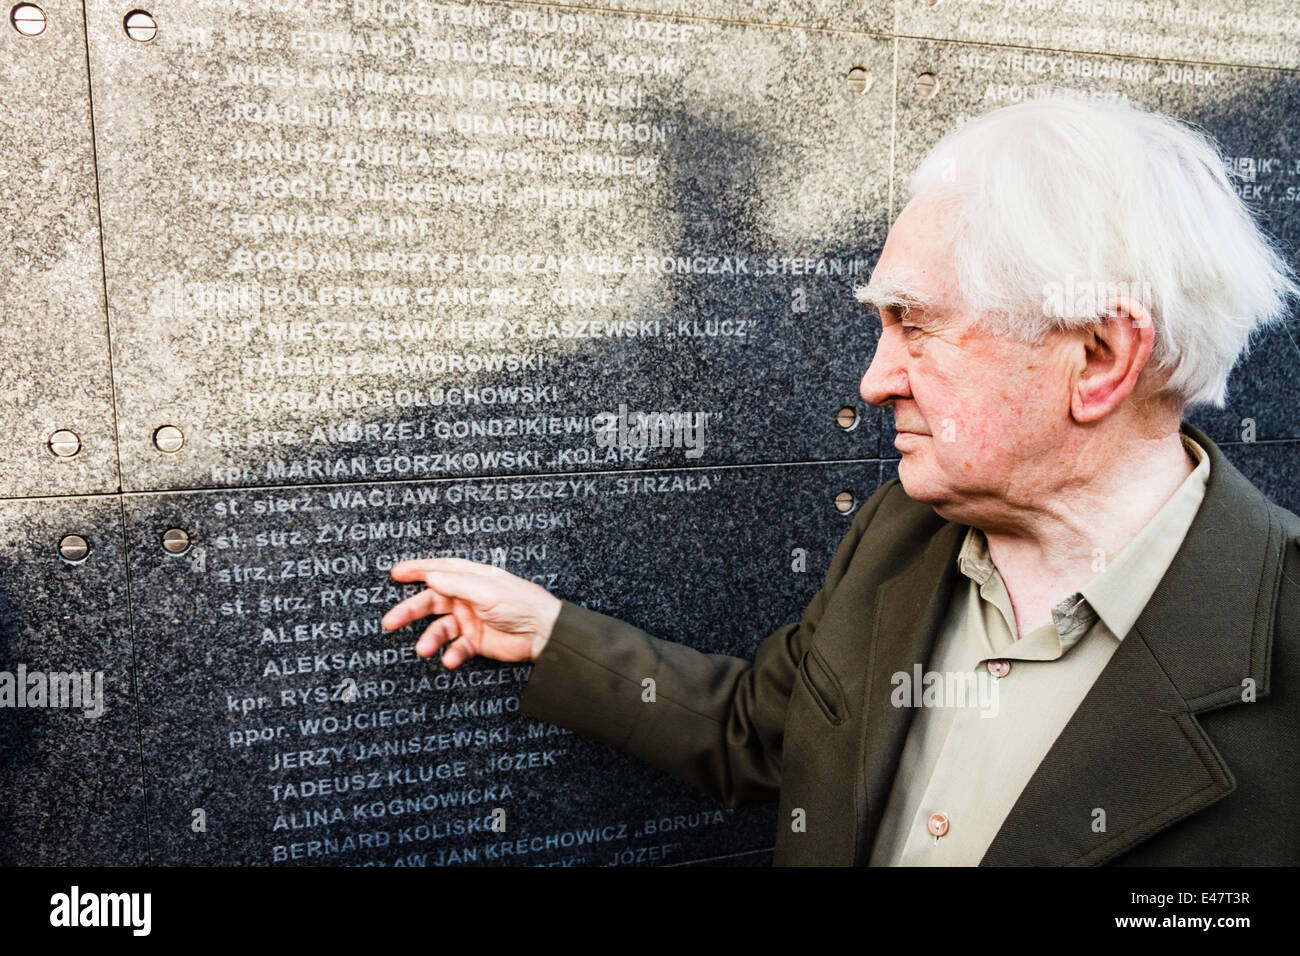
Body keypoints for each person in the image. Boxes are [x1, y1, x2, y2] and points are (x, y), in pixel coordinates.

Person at [381, 96, 1300, 865]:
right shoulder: (902, 532)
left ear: (1099, 357)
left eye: (914, 324)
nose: (872, 380)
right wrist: (550, 634)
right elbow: (769, 731)